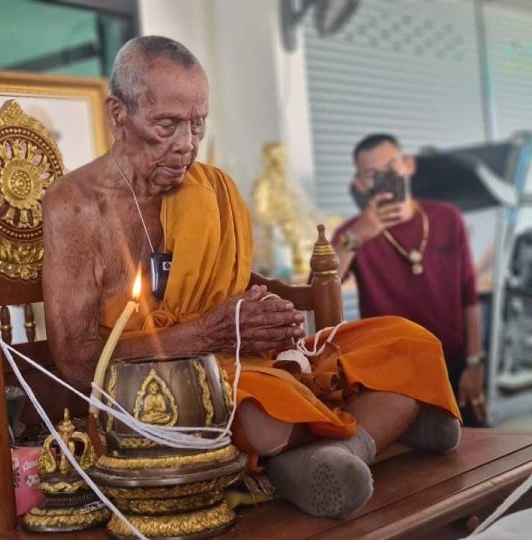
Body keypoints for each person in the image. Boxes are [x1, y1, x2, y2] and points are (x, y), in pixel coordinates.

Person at [42, 36, 461, 520]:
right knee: (261, 415)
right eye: (167, 125)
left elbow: (230, 286)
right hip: (156, 390)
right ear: (118, 115)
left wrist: (266, 316)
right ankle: (378, 430)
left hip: (240, 359)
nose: (186, 145)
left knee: (409, 343)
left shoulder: (209, 188)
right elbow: (74, 360)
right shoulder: (75, 205)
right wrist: (205, 334)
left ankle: (332, 454)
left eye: (198, 124)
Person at [332, 134, 486, 427]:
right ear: (361, 184)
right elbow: (321, 290)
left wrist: (474, 362)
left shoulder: (446, 218)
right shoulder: (352, 232)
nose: (385, 178)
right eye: (373, 175)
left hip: (450, 362)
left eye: (392, 167)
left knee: (475, 448)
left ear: (408, 165)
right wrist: (357, 238)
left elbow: (469, 293)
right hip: (390, 375)